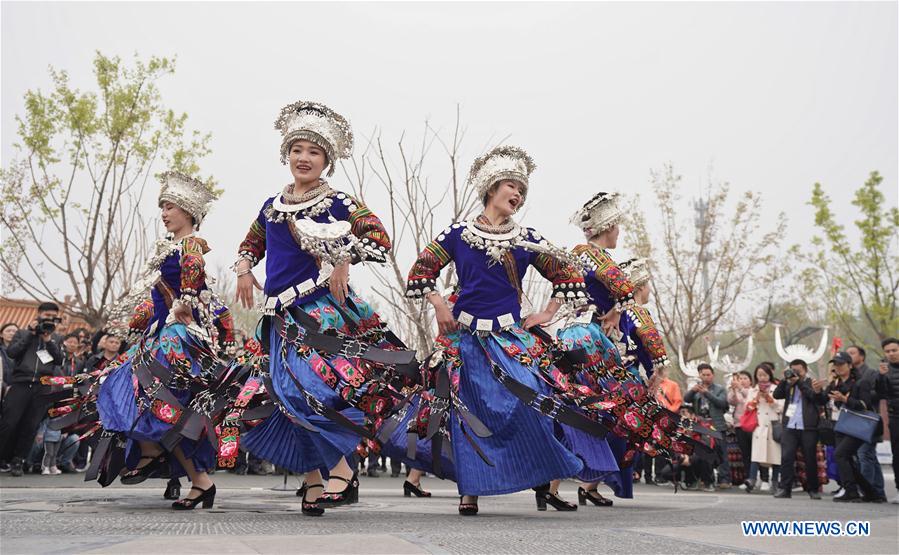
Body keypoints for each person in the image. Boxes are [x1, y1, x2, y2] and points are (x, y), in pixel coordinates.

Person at [232, 100, 414, 517]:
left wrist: (344, 260)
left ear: (326, 160)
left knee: (314, 391)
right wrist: (243, 268)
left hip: (319, 312)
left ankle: (341, 470)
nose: (304, 158)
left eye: (314, 152)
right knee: (282, 395)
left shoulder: (339, 202)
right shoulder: (271, 205)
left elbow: (379, 239)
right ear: (286, 154)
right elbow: (250, 244)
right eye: (297, 149)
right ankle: (314, 480)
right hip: (278, 317)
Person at [401, 145, 605, 515]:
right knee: (469, 411)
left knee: (531, 398)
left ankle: (541, 475)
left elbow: (569, 275)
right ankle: (470, 492)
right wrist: (439, 304)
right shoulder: (458, 234)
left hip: (510, 339)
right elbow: (420, 272)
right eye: (512, 185)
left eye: (522, 190)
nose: (518, 195)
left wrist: (547, 312)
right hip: (465, 339)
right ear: (491, 188)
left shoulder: (527, 238)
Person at [97, 170, 228, 510]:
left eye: (170, 207)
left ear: (188, 212)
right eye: (162, 209)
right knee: (164, 408)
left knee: (155, 401)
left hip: (176, 337)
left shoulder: (190, 245)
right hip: (160, 335)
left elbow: (194, 273)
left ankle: (158, 456)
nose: (165, 214)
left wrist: (184, 298)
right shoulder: (168, 248)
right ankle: (196, 480)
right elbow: (155, 297)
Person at [0, 302, 64, 477]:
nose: (49, 319)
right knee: (9, 422)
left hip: (42, 387)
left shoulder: (56, 337)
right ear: (39, 314)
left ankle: (18, 460)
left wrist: (48, 341)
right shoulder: (22, 332)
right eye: (46, 315)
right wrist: (30, 333)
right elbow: (12, 352)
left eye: (53, 316)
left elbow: (58, 360)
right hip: (21, 383)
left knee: (30, 426)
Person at [824, 352, 878, 502]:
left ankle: (851, 490)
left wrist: (845, 399)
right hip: (840, 425)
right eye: (836, 364)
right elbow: (822, 399)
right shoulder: (836, 383)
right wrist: (816, 390)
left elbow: (864, 405)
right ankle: (871, 493)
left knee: (840, 455)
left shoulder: (861, 382)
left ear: (849, 365)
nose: (838, 367)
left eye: (841, 364)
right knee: (847, 458)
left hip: (856, 426)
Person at [773, 358, 824, 499]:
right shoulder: (789, 384)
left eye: (798, 371)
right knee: (786, 457)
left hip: (808, 427)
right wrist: (785, 380)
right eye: (792, 370)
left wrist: (799, 382)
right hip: (790, 426)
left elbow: (815, 397)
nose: (795, 374)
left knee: (810, 459)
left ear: (805, 370)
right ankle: (785, 489)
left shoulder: (810, 382)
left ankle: (813, 489)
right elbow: (776, 395)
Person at [847, 345, 887, 502]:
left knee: (865, 455)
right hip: (853, 420)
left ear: (861, 356)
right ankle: (878, 492)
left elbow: (879, 394)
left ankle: (867, 490)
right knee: (869, 456)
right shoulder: (848, 375)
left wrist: (858, 395)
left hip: (868, 420)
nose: (849, 355)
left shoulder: (871, 373)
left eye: (852, 353)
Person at [684, 364, 731, 489]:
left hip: (716, 424)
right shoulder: (697, 388)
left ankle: (724, 479)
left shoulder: (720, 389)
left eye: (708, 375)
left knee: (721, 453)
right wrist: (693, 391)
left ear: (713, 375)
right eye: (703, 374)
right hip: (701, 426)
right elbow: (686, 399)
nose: (706, 377)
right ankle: (704, 478)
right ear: (699, 375)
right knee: (702, 453)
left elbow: (722, 403)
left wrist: (707, 393)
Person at [743, 364, 782, 493]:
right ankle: (752, 479)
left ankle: (775, 482)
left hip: (773, 424)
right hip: (759, 425)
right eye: (759, 375)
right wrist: (756, 399)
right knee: (756, 454)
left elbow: (780, 408)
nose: (762, 378)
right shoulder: (752, 390)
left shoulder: (777, 389)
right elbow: (748, 408)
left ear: (769, 375)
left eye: (764, 375)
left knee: (775, 455)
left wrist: (769, 399)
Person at [875, 337, 899, 504]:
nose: (891, 354)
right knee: (897, 455)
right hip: (895, 416)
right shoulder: (884, 371)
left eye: (894, 350)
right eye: (888, 351)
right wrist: (882, 377)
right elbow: (880, 394)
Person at [728, 370, 755, 489]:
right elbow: (731, 401)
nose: (742, 381)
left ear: (750, 381)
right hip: (739, 425)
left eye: (745, 378)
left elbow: (749, 399)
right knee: (745, 453)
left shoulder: (753, 391)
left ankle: (762, 478)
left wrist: (741, 389)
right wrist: (734, 390)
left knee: (757, 452)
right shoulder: (737, 391)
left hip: (753, 425)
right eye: (740, 379)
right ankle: (748, 478)